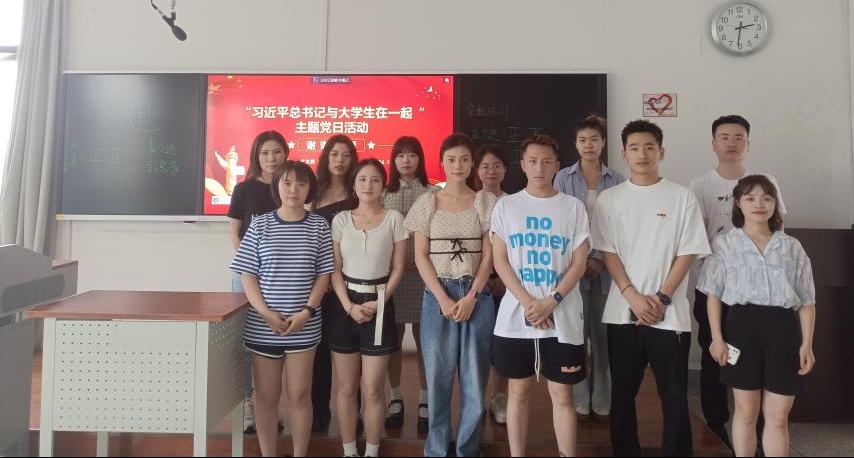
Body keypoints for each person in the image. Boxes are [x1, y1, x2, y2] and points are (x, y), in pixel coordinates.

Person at [591, 120, 711, 457]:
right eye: (634, 148)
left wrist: (661, 297)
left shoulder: (682, 197)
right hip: (622, 313)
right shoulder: (609, 200)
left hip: (669, 316)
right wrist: (631, 295)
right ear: (624, 154)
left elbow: (688, 251)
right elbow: (607, 252)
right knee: (622, 394)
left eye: (649, 147)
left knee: (674, 395)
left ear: (662, 151)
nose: (642, 154)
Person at [688, 114, 788, 449]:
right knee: (714, 354)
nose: (732, 143)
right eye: (725, 137)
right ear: (713, 143)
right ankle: (716, 425)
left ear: (748, 142)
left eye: (739, 137)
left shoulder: (765, 182)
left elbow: (778, 228)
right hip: (713, 288)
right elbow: (694, 238)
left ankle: (755, 431)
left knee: (754, 359)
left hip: (758, 292)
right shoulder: (700, 186)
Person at [698, 175, 815, 458]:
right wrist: (717, 338)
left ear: (775, 204)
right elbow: (713, 295)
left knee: (778, 414)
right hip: (741, 328)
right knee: (745, 411)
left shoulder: (792, 246)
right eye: (750, 198)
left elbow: (807, 300)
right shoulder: (724, 244)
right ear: (739, 203)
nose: (759, 204)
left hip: (783, 330)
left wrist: (807, 344)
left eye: (766, 198)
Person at [491, 134, 590, 457]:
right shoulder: (506, 206)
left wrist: (552, 301)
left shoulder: (573, 207)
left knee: (562, 395)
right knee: (517, 392)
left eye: (547, 162)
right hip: (516, 318)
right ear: (522, 165)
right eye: (532, 161)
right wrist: (528, 303)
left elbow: (579, 262)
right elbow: (500, 260)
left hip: (562, 316)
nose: (539, 168)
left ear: (557, 166)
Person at [230, 160, 333, 458]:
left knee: (300, 395)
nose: (293, 189)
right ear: (277, 186)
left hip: (304, 325)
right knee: (265, 397)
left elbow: (323, 275)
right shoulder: (260, 224)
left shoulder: (319, 226)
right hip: (263, 325)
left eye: (301, 183)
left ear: (310, 188)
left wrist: (307, 312)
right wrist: (265, 313)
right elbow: (247, 274)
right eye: (287, 183)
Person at [405, 133, 497, 457]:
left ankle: (468, 449)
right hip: (437, 296)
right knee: (438, 380)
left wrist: (472, 296)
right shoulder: (427, 202)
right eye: (451, 159)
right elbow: (420, 256)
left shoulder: (486, 202)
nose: (458, 165)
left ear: (472, 164)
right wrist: (443, 298)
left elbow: (489, 256)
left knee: (474, 380)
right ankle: (437, 450)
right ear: (442, 163)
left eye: (464, 159)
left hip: (476, 297)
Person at [330, 159, 408, 458]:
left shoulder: (394, 219)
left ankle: (373, 451)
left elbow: (398, 267)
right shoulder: (341, 220)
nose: (368, 185)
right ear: (354, 184)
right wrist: (348, 306)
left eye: (375, 180)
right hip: (345, 305)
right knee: (347, 388)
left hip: (380, 301)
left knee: (373, 387)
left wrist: (381, 301)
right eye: (362, 179)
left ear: (383, 186)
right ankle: (349, 449)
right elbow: (335, 269)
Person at [553, 115, 625, 420]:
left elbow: (622, 226)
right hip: (574, 269)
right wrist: (582, 260)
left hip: (608, 268)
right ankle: (580, 396)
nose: (589, 145)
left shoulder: (618, 180)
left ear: (603, 143)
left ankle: (602, 396)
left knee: (604, 337)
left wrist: (600, 259)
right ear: (575, 144)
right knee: (577, 335)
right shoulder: (563, 178)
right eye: (583, 140)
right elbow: (560, 223)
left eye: (594, 139)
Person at [226, 130, 288, 433]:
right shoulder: (244, 189)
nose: (271, 158)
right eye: (265, 153)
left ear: (286, 154)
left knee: (278, 341)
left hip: (284, 277)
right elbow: (234, 232)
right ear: (256, 156)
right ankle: (248, 405)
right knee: (246, 343)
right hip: (248, 277)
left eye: (276, 152)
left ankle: (271, 406)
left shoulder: (291, 187)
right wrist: (250, 267)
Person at [382, 136, 436, 433]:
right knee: (393, 338)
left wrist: (421, 258)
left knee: (424, 338)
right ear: (393, 160)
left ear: (420, 159)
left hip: (423, 275)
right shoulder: (383, 193)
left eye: (412, 155)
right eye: (400, 155)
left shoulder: (432, 192)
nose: (406, 160)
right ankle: (395, 396)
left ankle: (425, 398)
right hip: (393, 275)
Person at [310, 134, 360, 432]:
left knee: (350, 349)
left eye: (345, 155)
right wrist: (323, 276)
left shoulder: (359, 192)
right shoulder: (313, 193)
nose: (340, 160)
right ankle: (319, 410)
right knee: (320, 349)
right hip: (319, 282)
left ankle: (354, 412)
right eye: (334, 154)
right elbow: (309, 238)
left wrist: (337, 276)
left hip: (350, 282)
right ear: (326, 158)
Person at [474, 142, 511, 425]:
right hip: (477, 286)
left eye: (496, 165)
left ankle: (499, 397)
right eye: (485, 166)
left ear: (505, 170)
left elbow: (519, 248)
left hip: (509, 286)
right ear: (477, 171)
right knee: (478, 347)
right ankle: (476, 398)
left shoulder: (514, 203)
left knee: (504, 345)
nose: (491, 171)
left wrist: (504, 281)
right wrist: (484, 279)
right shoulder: (470, 202)